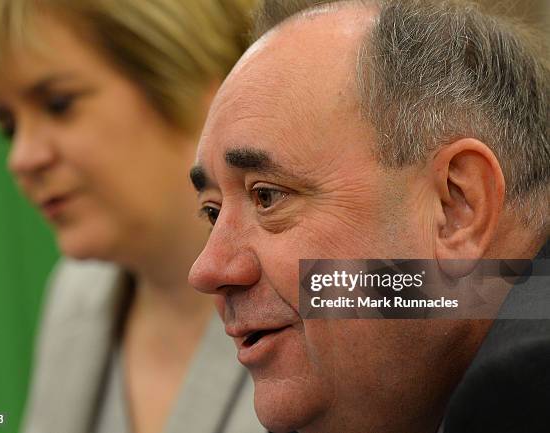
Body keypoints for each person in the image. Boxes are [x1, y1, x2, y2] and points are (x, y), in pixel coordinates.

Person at [186, 0, 549, 432]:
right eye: (212, 212)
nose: (207, 270)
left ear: (456, 206)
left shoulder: (527, 390)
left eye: (267, 196)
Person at [0, 1, 265, 433]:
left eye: (58, 104)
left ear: (186, 76)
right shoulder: (75, 295)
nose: (22, 157)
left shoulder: (330, 287)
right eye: (8, 125)